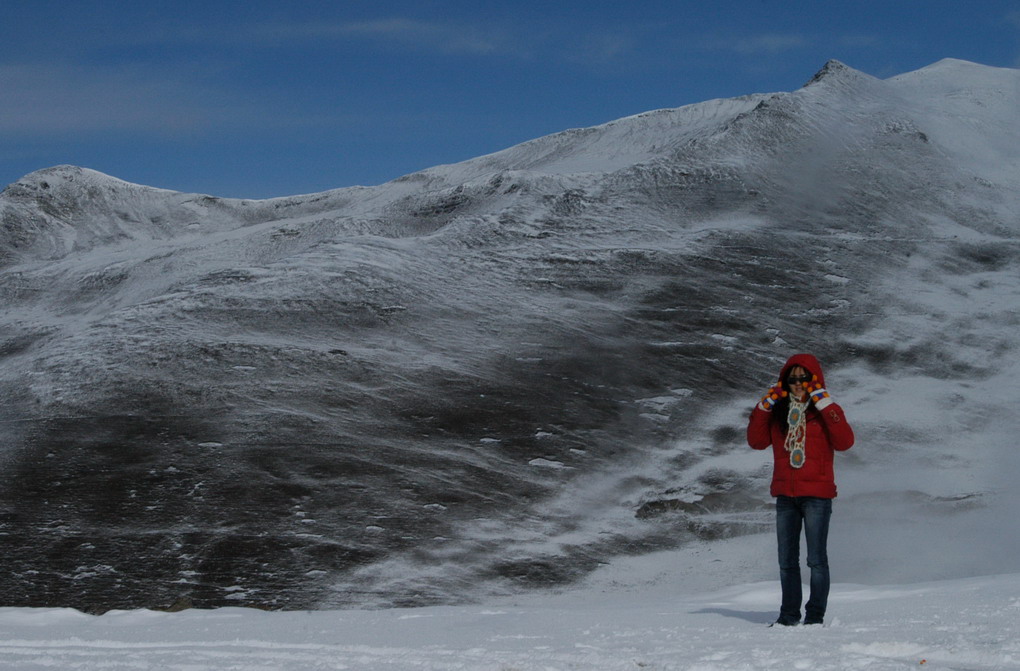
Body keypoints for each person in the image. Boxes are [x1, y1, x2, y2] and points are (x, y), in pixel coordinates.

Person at [747, 353, 854, 626]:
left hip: (817, 496)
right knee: (786, 562)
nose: (797, 383)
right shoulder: (779, 414)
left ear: (814, 379)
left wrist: (825, 402)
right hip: (786, 496)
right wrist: (765, 405)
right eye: (792, 378)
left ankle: (815, 618)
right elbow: (756, 441)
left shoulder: (824, 412)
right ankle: (788, 617)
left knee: (816, 560)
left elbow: (845, 442)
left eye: (803, 377)